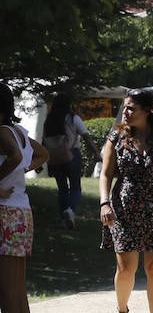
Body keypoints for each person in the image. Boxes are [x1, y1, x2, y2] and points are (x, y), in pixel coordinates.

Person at [98, 90, 153, 313]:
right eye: (125, 107)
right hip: (123, 208)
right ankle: (121, 310)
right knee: (126, 267)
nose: (125, 112)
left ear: (149, 111)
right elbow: (106, 174)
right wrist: (104, 202)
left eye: (131, 108)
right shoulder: (117, 135)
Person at [0, 87, 49, 313]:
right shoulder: (17, 130)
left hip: (4, 213)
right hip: (21, 212)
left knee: (8, 295)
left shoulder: (4, 131)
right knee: (17, 293)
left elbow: (16, 155)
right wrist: (19, 172)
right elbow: (41, 153)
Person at [41, 93, 90, 229]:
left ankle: (63, 219)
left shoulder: (48, 121)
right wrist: (97, 153)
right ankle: (70, 210)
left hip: (54, 157)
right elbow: (86, 136)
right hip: (71, 155)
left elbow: (44, 141)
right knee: (75, 187)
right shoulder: (73, 118)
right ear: (68, 104)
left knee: (62, 188)